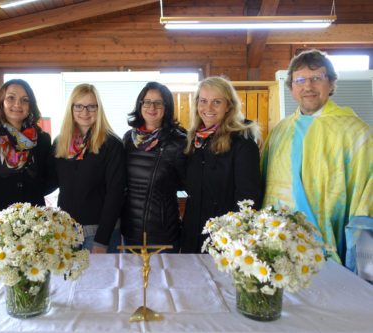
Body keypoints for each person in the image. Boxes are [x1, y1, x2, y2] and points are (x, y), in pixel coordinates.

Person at [261, 49, 372, 271]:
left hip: (330, 240)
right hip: (280, 241)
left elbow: (366, 194)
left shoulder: (357, 133)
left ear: (331, 84)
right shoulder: (280, 132)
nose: (308, 87)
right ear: (292, 88)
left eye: (316, 78)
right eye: (300, 80)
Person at [181, 77, 262, 253]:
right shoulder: (194, 141)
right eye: (203, 101)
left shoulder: (243, 144)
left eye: (216, 102)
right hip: (192, 236)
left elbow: (248, 200)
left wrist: (229, 238)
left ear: (229, 106)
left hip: (225, 240)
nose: (208, 108)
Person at [0, 79, 54, 225]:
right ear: (1, 102)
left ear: (30, 106)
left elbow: (51, 178)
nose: (17, 104)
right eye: (11, 98)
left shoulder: (42, 140)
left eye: (25, 100)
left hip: (33, 224)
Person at [53, 84, 125, 253]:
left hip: (99, 234)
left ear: (98, 109)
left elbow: (115, 194)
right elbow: (53, 182)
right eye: (79, 106)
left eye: (91, 106)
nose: (85, 112)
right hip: (66, 233)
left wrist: (101, 240)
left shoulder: (111, 144)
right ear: (71, 109)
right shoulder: (60, 142)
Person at [121, 81, 186, 253]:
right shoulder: (129, 139)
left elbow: (185, 184)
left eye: (158, 103)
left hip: (163, 233)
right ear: (140, 105)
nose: (152, 107)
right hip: (131, 231)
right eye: (147, 102)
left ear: (167, 107)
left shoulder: (179, 141)